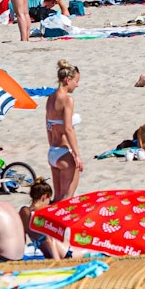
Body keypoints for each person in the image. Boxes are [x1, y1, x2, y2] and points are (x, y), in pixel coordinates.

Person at [44, 60, 84, 201]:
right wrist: (77, 155)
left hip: (53, 152)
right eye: (76, 81)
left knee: (57, 199)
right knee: (67, 199)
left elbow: (48, 126)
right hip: (64, 153)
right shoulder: (67, 100)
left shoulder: (50, 98)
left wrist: (52, 149)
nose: (77, 85)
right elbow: (68, 129)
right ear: (68, 80)